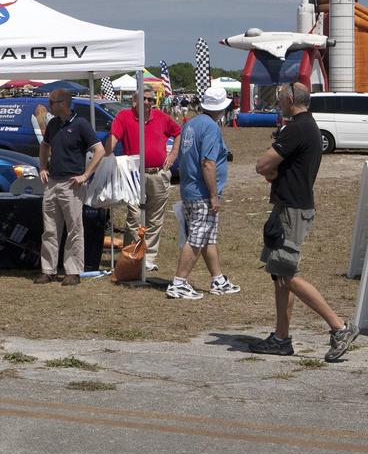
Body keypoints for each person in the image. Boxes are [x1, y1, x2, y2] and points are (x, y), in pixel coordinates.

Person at [251, 83, 358, 360]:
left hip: (292, 211)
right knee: (279, 275)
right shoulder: (307, 125)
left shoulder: (298, 127)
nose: (278, 104)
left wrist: (270, 172)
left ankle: (339, 327)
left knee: (287, 275)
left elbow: (262, 165)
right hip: (290, 207)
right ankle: (281, 338)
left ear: (289, 99)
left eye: (279, 100)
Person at [167, 86, 240, 299]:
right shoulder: (210, 127)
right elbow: (208, 162)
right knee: (197, 238)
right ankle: (179, 282)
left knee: (208, 236)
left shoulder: (190, 124)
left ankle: (218, 279)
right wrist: (214, 195)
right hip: (202, 192)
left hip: (190, 188)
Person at [103, 90, 182, 272]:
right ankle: (131, 255)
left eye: (151, 99)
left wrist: (173, 154)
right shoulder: (124, 117)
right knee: (135, 217)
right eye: (143, 98)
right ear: (134, 101)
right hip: (134, 174)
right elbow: (113, 139)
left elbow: (178, 132)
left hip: (159, 174)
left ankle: (149, 257)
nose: (147, 102)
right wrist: (107, 155)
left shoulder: (162, 117)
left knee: (155, 218)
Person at [37, 89, 105, 286]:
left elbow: (99, 150)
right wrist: (42, 167)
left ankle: (73, 271)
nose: (49, 105)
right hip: (52, 183)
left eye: (52, 102)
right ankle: (48, 270)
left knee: (74, 228)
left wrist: (85, 175)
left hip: (71, 184)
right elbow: (44, 145)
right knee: (49, 229)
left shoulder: (81, 124)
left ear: (63, 103)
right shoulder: (53, 124)